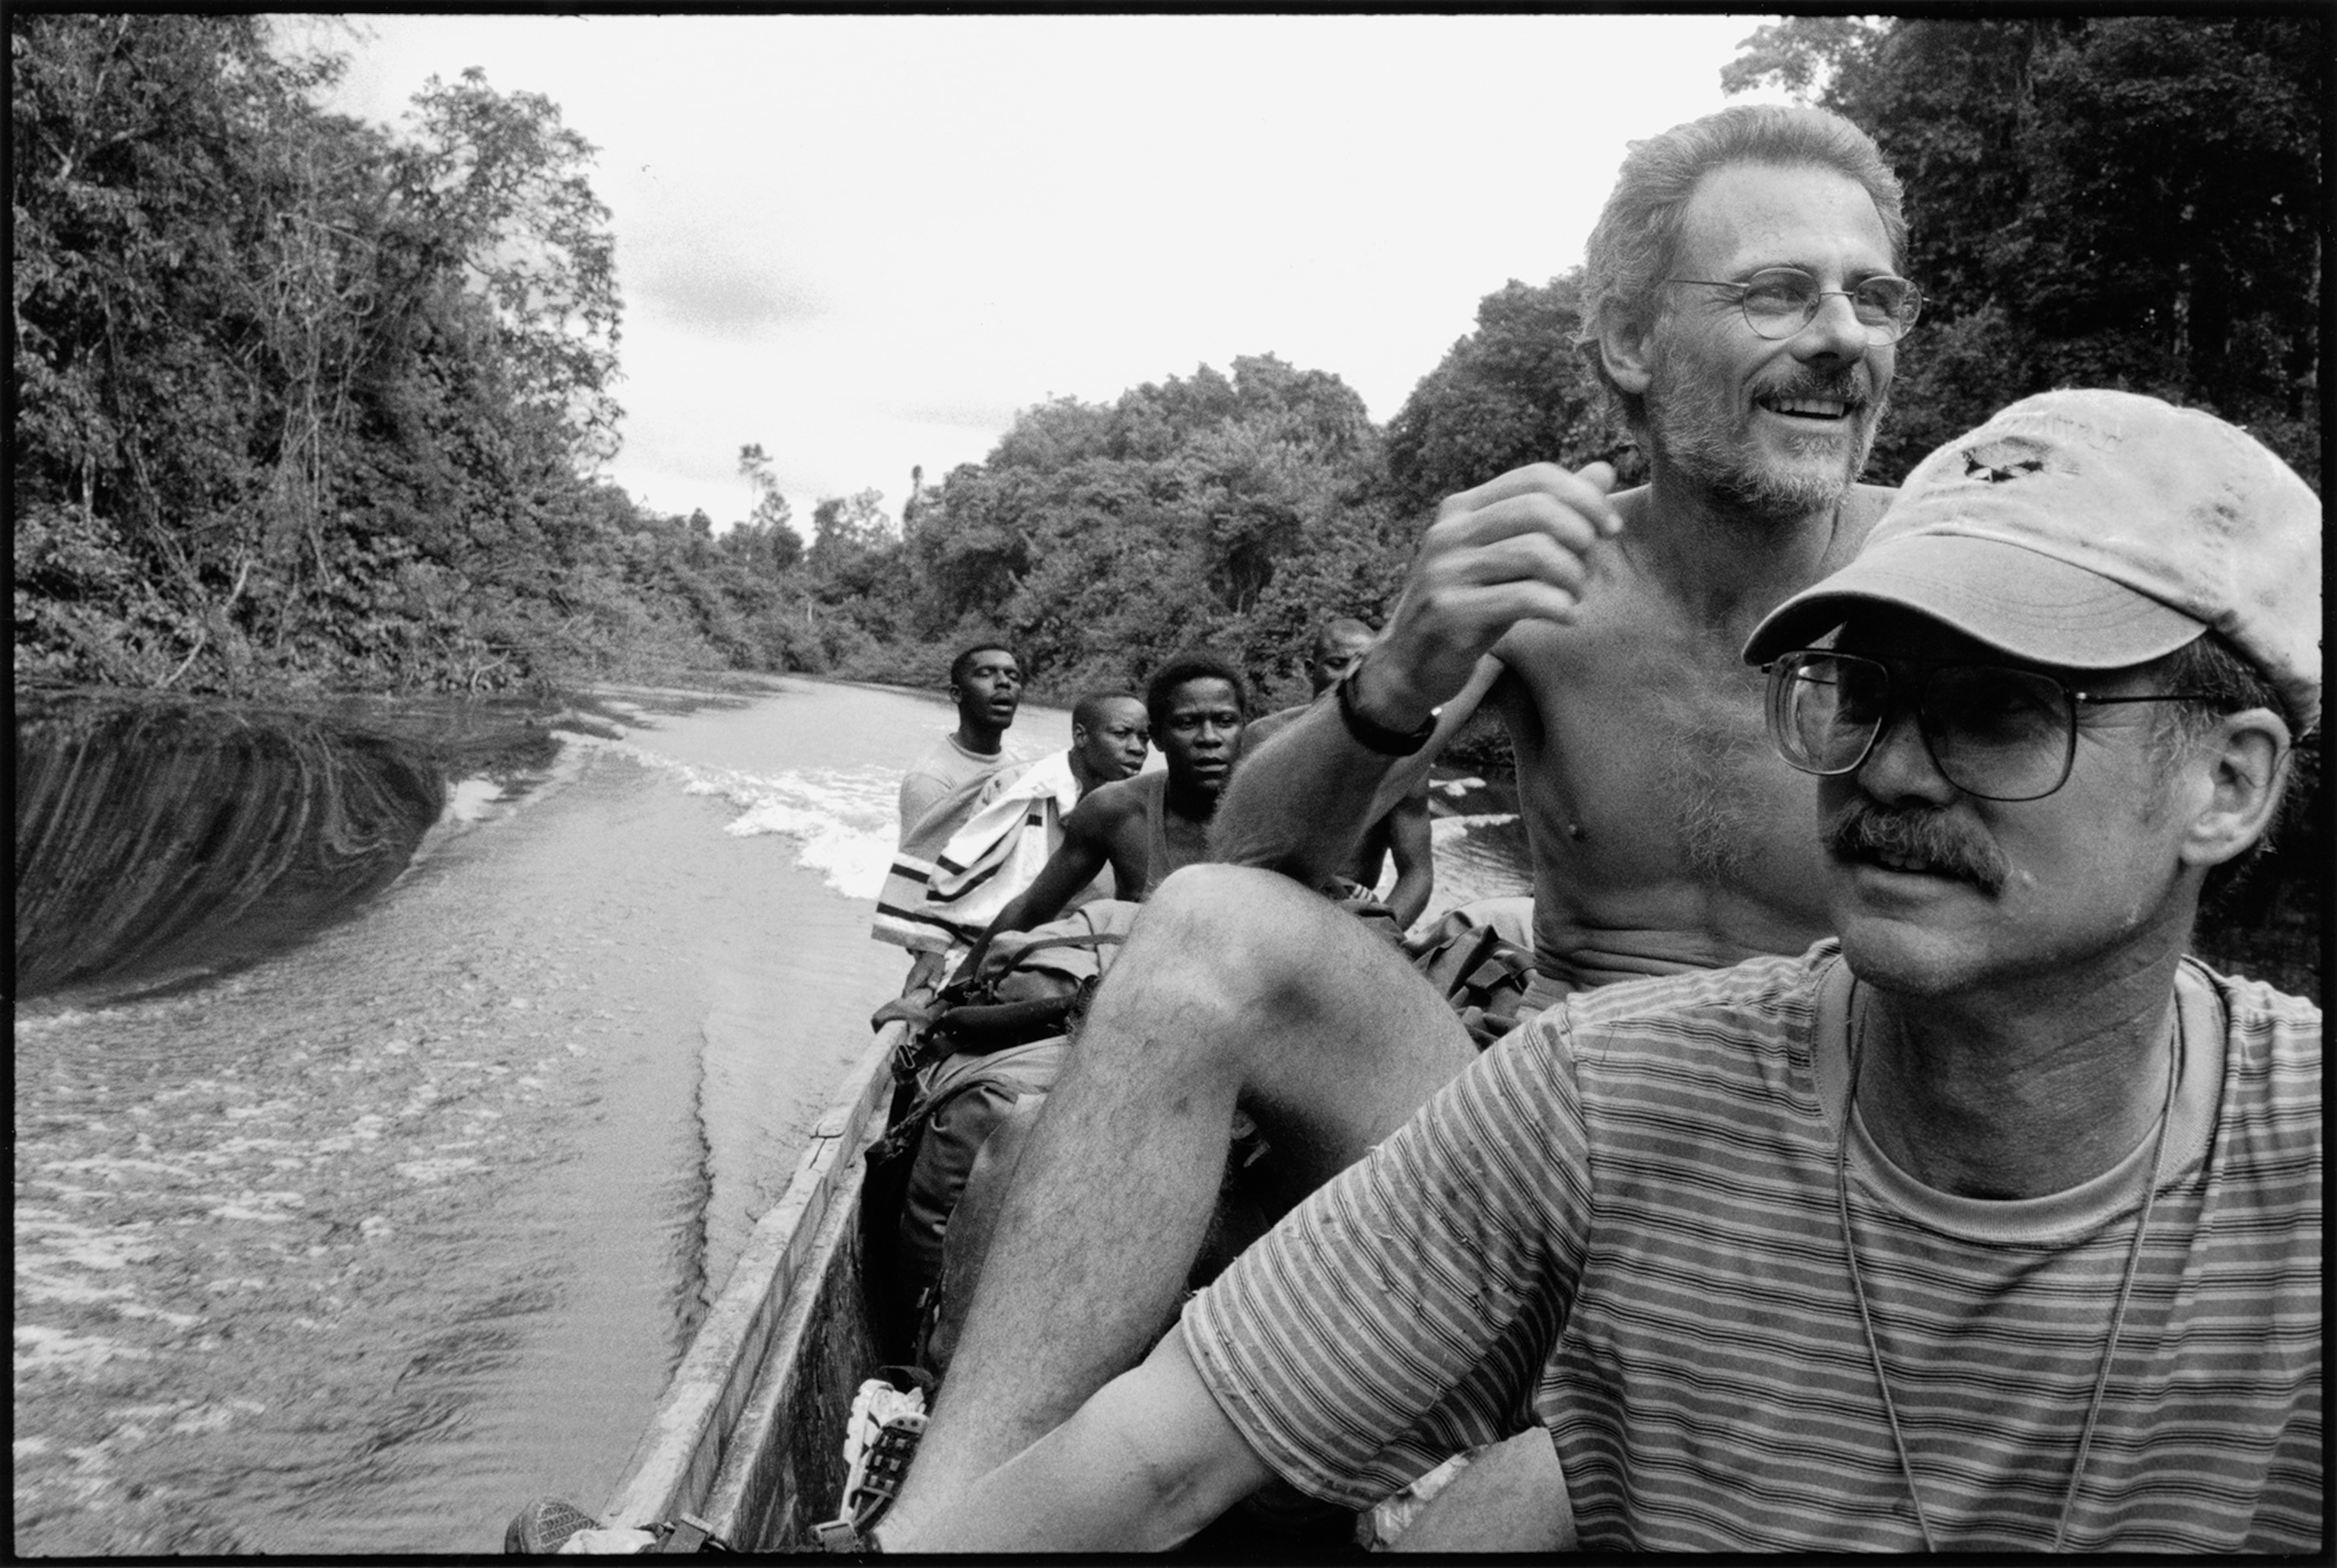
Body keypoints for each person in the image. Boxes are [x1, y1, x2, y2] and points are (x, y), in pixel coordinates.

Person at [889, 389, 2323, 1554]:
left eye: (2004, 712)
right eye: (1858, 689)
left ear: (2228, 785)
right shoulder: (1594, 1094)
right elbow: (1143, 1466)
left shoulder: (2296, 1171)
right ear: (1632, 354)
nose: (1889, 768)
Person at [886, 100, 1925, 1532]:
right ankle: (923, 1526)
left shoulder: (1939, 575)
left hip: (1809, 1202)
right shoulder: (1549, 573)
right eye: (1775, 292)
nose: (1842, 335)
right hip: (1538, 1142)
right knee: (1199, 931)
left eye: (1871, 298)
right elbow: (1250, 859)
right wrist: (1403, 667)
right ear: (1628, 343)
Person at [949, 652, 1246, 986]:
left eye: (1224, 721)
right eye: (1187, 724)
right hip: (1136, 994)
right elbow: (1032, 908)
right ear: (1159, 738)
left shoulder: (1277, 817)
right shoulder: (1114, 811)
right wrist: (944, 999)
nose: (1209, 738)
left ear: (1243, 728)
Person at [871, 697, 1149, 1019]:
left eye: (1144, 737)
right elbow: (954, 872)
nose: (1137, 747)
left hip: (1080, 958)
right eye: (1122, 734)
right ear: (1081, 736)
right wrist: (931, 948)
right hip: (990, 948)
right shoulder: (1016, 788)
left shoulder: (1137, 810)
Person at [1243, 618, 1435, 929]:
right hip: (1262, 907)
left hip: (1349, 914)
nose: (1350, 675)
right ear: (1310, 670)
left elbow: (1417, 875)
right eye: (1337, 663)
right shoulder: (1261, 737)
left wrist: (1375, 933)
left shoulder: (1403, 755)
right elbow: (1229, 848)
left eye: (1365, 665)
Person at [872, 644, 1028, 960]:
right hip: (952, 948)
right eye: (987, 674)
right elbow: (920, 882)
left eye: (1013, 675)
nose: (1004, 683)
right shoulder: (931, 779)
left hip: (1002, 932)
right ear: (956, 693)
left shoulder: (1018, 770)